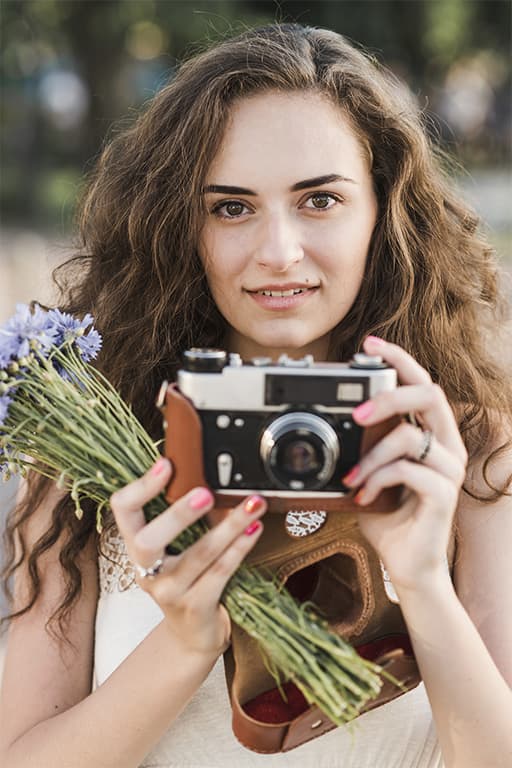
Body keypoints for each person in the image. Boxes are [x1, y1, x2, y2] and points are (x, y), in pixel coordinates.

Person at [0, 22, 511, 768]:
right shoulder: (88, 452)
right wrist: (182, 643)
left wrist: (425, 581)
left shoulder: (466, 450)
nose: (278, 251)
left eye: (320, 200)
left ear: (383, 211)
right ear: (182, 226)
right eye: (231, 208)